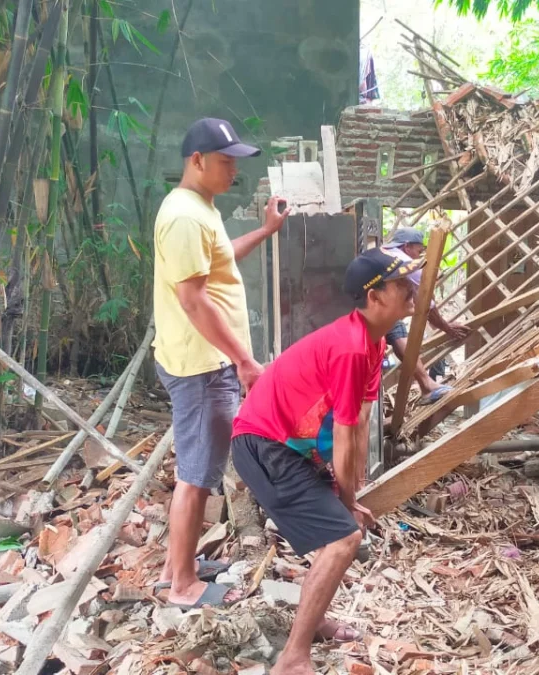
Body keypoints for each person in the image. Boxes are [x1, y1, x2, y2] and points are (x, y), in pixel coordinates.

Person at [230, 248, 418, 675]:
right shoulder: (352, 348)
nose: (411, 291)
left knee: (336, 533)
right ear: (374, 297)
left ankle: (311, 622)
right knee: (343, 538)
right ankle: (293, 657)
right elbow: (347, 435)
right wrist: (349, 501)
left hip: (287, 445)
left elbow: (361, 419)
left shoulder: (372, 344)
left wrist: (349, 488)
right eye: (402, 284)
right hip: (264, 445)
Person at [151, 117, 289, 608]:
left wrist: (266, 231)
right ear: (197, 161)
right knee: (196, 474)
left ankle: (177, 566)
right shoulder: (186, 216)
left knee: (199, 467)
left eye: (236, 162)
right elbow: (193, 298)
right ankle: (183, 586)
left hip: (206, 361)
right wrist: (245, 362)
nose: (234, 171)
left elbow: (220, 260)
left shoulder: (199, 209)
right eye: (226, 162)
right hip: (202, 366)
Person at [380, 228, 470, 403]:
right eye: (419, 251)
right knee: (395, 332)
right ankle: (426, 385)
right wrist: (447, 328)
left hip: (375, 308)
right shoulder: (405, 262)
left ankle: (426, 385)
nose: (418, 256)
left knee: (398, 333)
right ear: (407, 247)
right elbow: (425, 302)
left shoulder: (386, 253)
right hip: (372, 310)